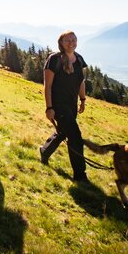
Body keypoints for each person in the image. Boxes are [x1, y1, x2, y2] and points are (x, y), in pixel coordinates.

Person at [39, 31, 90, 182]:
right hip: (58, 105)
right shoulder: (54, 60)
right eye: (67, 40)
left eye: (73, 40)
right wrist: (49, 108)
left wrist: (82, 99)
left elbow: (81, 81)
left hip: (72, 105)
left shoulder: (79, 59)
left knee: (62, 132)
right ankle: (80, 175)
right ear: (61, 43)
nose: (71, 43)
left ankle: (44, 151)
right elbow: (47, 86)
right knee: (75, 137)